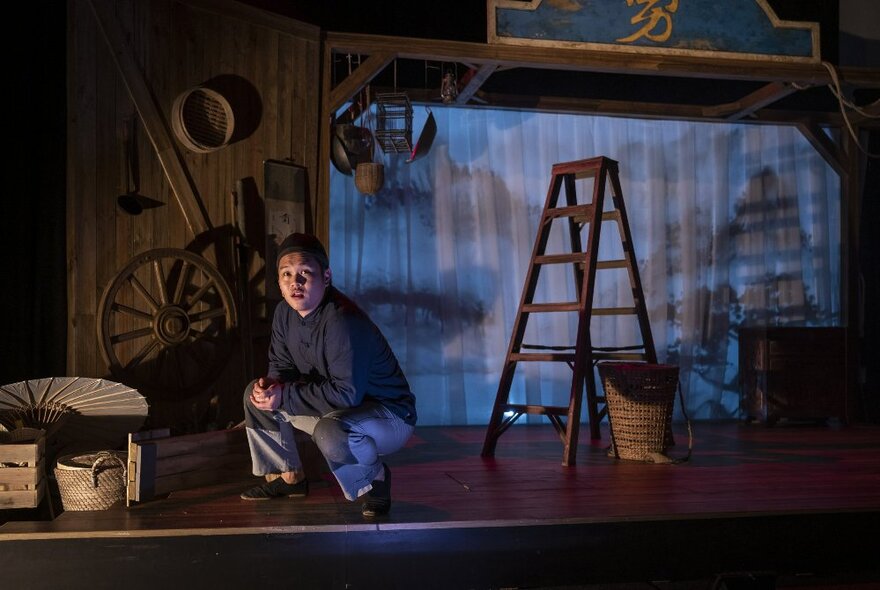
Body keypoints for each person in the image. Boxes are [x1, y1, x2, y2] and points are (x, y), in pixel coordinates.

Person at [240, 232, 417, 517]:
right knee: (255, 395)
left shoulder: (343, 321)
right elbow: (280, 369)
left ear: (326, 277)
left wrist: (284, 395)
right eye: (287, 274)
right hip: (339, 409)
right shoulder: (284, 314)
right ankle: (290, 479)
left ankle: (377, 481)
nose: (295, 282)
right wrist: (271, 389)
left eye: (305, 273)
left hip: (389, 416)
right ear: (279, 282)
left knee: (330, 433)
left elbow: (347, 394)